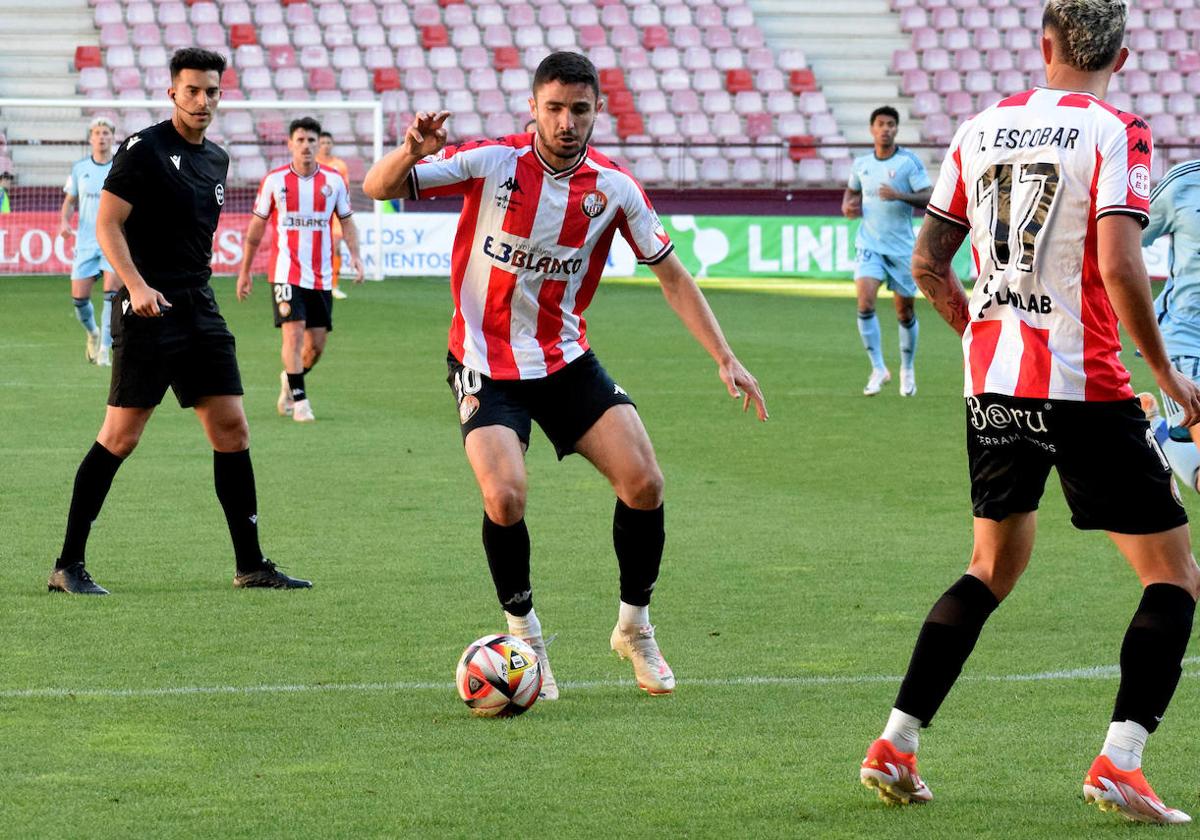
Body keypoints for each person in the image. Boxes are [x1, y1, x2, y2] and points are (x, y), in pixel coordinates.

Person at [858, 0, 1200, 824]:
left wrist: (978, 330)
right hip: (1083, 387)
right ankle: (1121, 761)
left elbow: (929, 262)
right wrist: (1168, 376)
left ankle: (897, 742)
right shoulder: (1120, 129)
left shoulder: (979, 127)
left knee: (990, 568)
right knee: (1174, 578)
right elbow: (1122, 264)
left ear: (1042, 46)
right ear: (1120, 58)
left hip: (993, 388)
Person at [363, 51, 767, 699]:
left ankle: (634, 626)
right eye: (554, 108)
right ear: (533, 108)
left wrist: (724, 355)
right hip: (483, 361)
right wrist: (412, 150)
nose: (567, 122)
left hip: (563, 359)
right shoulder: (493, 161)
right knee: (505, 497)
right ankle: (525, 637)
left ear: (596, 112)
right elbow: (377, 188)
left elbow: (671, 275)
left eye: (580, 110)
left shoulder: (615, 189)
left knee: (644, 482)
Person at [47, 47, 311, 595]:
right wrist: (137, 285)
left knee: (233, 430)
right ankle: (67, 565)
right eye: (191, 90)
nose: (202, 100)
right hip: (145, 310)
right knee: (121, 436)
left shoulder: (217, 159)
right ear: (173, 93)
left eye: (212, 91)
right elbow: (108, 225)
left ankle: (251, 564)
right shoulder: (142, 149)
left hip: (198, 306)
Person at [237, 117, 364, 422]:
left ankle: (290, 379)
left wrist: (356, 256)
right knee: (292, 336)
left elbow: (346, 221)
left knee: (316, 345)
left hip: (321, 276)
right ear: (290, 144)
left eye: (312, 141)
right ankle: (301, 400)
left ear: (319, 144)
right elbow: (256, 227)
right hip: (285, 272)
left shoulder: (333, 180)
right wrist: (245, 271)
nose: (306, 146)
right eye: (301, 140)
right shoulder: (275, 180)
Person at [842, 106, 931, 396]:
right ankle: (878, 368)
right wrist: (848, 206)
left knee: (904, 312)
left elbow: (928, 197)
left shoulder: (908, 163)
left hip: (902, 249)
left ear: (896, 129)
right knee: (865, 303)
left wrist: (899, 195)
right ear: (872, 129)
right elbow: (852, 191)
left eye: (891, 124)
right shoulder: (862, 164)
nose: (886, 129)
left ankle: (907, 369)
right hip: (869, 245)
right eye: (881, 124)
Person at [1138, 160, 1200, 493]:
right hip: (1189, 341)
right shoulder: (1184, 182)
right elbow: (1127, 235)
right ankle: (1163, 434)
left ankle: (1158, 433)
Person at [61, 117, 122, 366]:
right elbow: (69, 202)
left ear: (112, 137)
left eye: (106, 132)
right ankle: (93, 333)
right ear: (91, 138)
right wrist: (64, 222)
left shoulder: (121, 166)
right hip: (86, 242)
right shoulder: (79, 168)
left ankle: (105, 350)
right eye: (97, 132)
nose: (102, 137)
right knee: (79, 300)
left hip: (114, 239)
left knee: (111, 295)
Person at [316, 130, 351, 300]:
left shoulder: (340, 165)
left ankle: (334, 285)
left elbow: (345, 191)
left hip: (335, 212)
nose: (325, 146)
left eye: (328, 143)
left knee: (335, 245)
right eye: (322, 143)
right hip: (316, 213)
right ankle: (317, 283)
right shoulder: (312, 163)